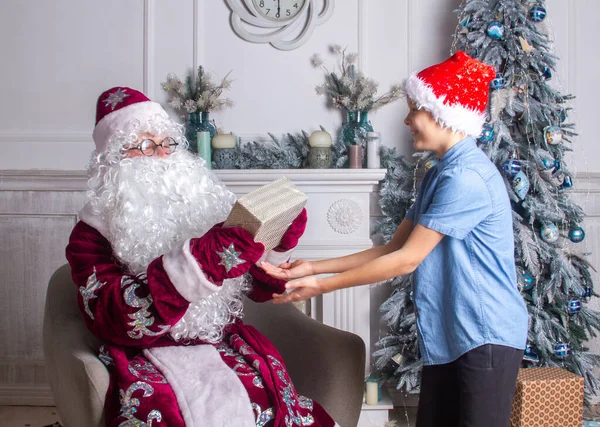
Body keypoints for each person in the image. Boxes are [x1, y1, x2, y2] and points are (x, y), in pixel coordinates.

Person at [262, 52, 529, 427]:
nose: (406, 120)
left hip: (484, 337)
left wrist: (320, 287)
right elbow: (392, 249)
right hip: (454, 337)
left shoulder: (465, 178)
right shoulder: (439, 174)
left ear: (443, 113)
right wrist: (312, 267)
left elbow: (407, 261)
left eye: (414, 110)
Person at [66, 86, 336, 426]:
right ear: (115, 159)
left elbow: (252, 286)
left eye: (167, 142)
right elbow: (112, 315)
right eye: (146, 145)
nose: (162, 156)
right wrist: (202, 262)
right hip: (146, 354)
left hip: (223, 343)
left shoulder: (200, 202)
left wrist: (270, 241)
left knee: (270, 406)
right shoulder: (92, 231)